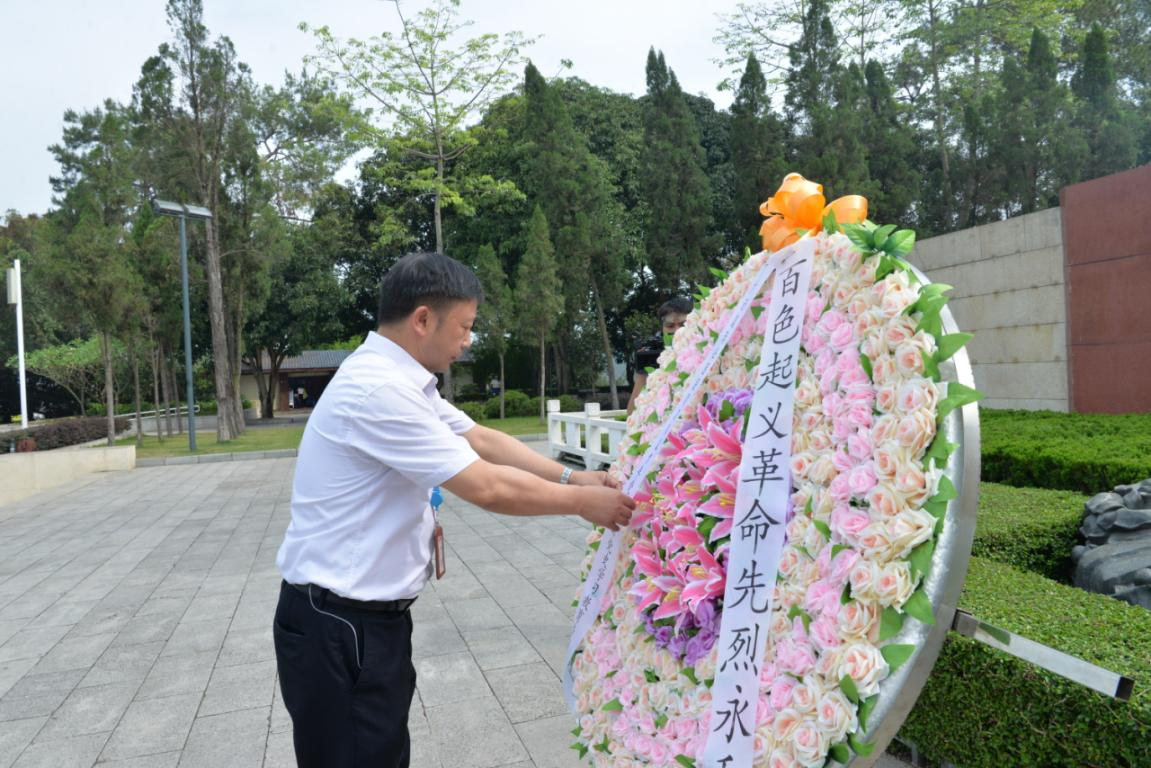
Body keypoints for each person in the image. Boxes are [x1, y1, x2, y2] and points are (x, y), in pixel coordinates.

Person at [272, 251, 635, 768]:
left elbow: (480, 438)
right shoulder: (379, 389)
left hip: (359, 621)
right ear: (423, 319)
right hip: (339, 624)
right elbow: (486, 485)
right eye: (464, 327)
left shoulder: (402, 380)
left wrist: (573, 476)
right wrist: (582, 502)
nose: (468, 340)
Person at [625, 296, 692, 413]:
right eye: (670, 326)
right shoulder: (656, 355)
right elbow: (631, 411)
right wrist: (643, 370)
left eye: (683, 324)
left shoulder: (708, 351)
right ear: (662, 329)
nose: (677, 331)